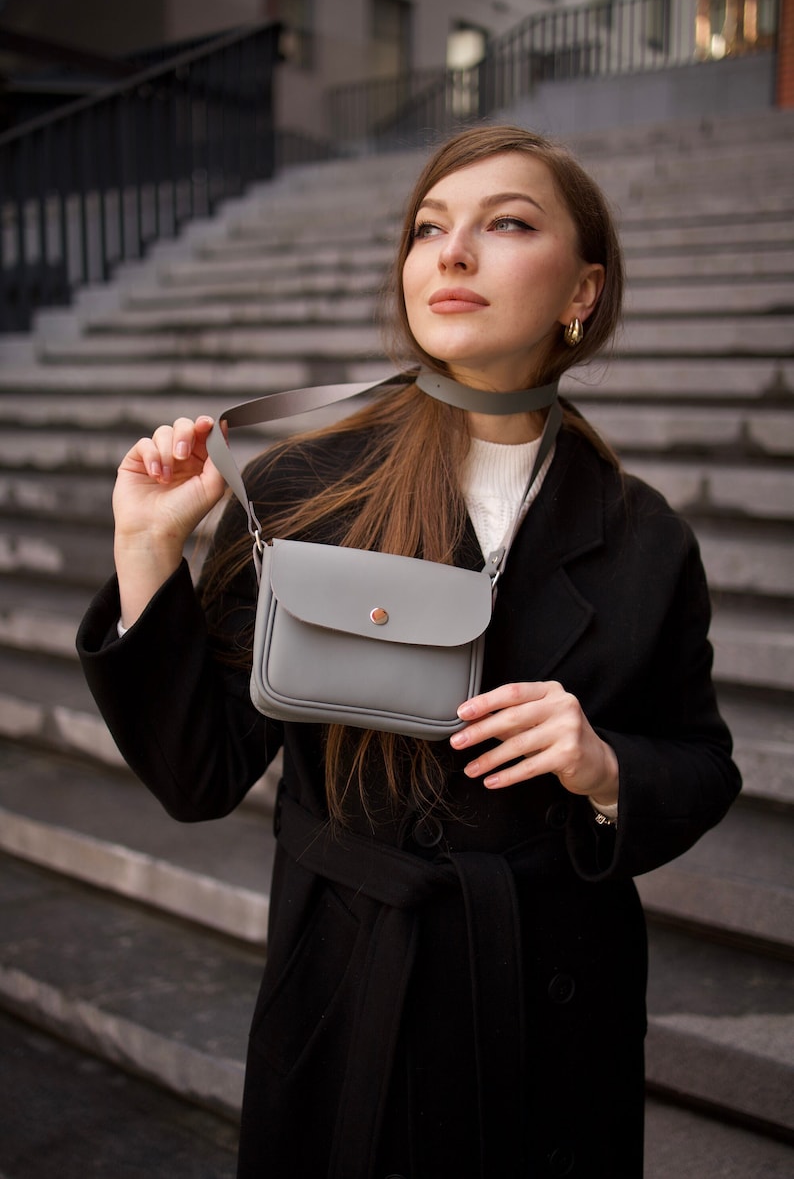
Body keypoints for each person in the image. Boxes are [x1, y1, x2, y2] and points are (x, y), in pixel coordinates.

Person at [77, 124, 741, 1179]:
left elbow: (701, 764)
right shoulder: (308, 483)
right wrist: (145, 544)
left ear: (581, 292)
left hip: (553, 997)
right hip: (354, 991)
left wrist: (604, 766)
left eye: (506, 223)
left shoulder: (645, 531)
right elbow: (197, 773)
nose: (452, 252)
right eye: (428, 228)